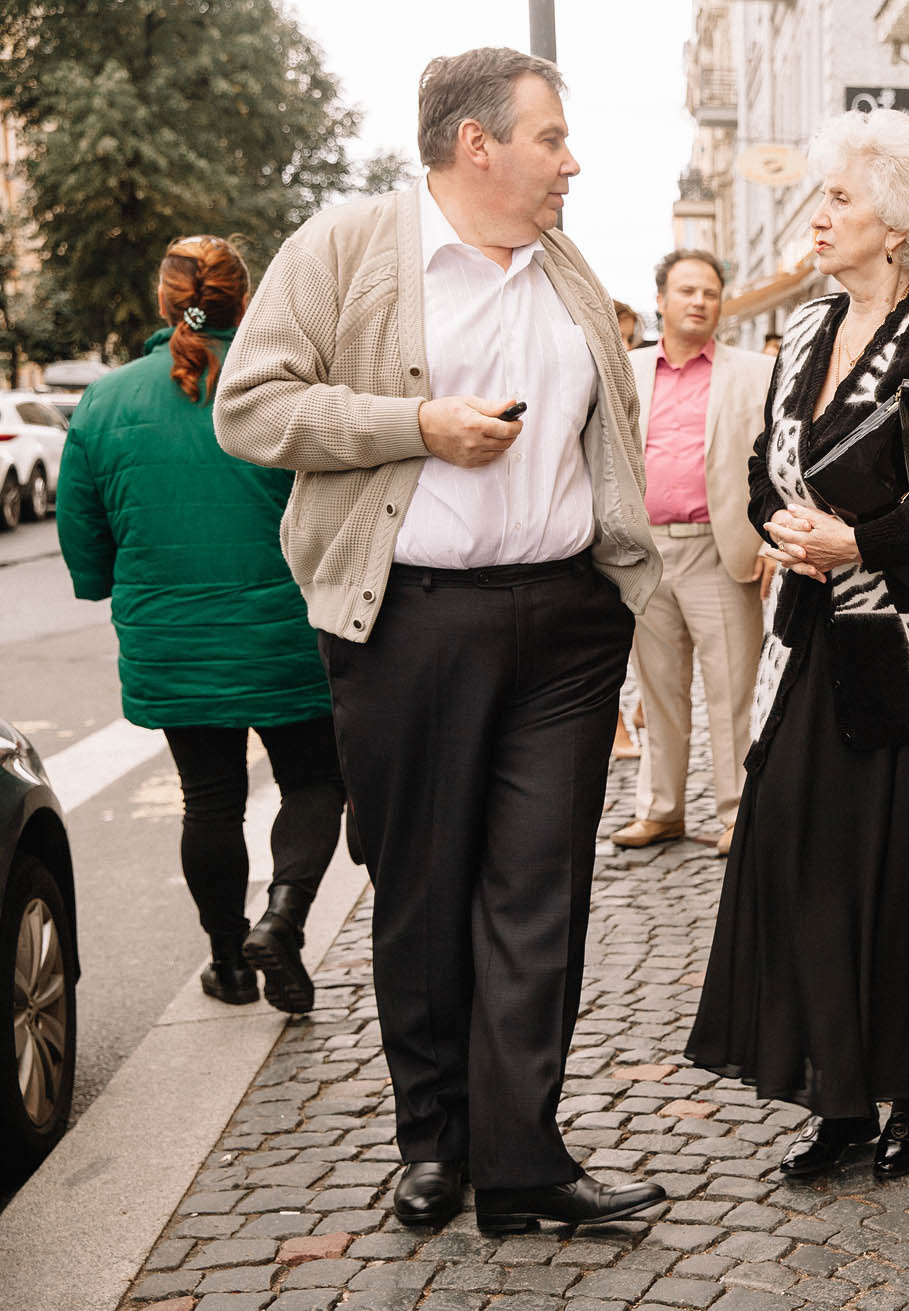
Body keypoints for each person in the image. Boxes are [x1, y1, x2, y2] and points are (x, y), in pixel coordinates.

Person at [214, 47, 667, 1236]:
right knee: (421, 887)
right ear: (478, 146)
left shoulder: (564, 266)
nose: (572, 162)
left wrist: (620, 589)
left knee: (540, 894)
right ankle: (433, 1143)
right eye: (550, 138)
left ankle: (522, 1160)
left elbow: (605, 433)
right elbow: (250, 407)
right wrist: (410, 424)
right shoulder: (351, 247)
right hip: (411, 621)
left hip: (565, 625)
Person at [685, 107, 909, 1183]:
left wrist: (865, 540)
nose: (819, 213)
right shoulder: (801, 331)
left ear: (901, 221)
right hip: (815, 644)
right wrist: (780, 527)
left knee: (903, 877)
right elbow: (766, 462)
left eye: (839, 196)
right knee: (800, 863)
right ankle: (836, 1096)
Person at [56, 235, 346, 1017]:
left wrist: (101, 581)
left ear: (165, 299)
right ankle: (281, 919)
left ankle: (229, 959)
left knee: (208, 800)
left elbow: (83, 530)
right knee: (317, 780)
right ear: (246, 299)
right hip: (288, 624)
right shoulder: (283, 385)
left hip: (174, 633)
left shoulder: (107, 399)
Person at [610, 249, 776, 856]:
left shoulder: (752, 373)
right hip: (647, 550)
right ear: (661, 298)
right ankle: (661, 809)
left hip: (721, 548)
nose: (699, 301)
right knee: (657, 688)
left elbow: (776, 462)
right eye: (686, 290)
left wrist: (771, 539)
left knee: (733, 687)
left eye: (709, 291)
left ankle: (738, 811)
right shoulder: (628, 372)